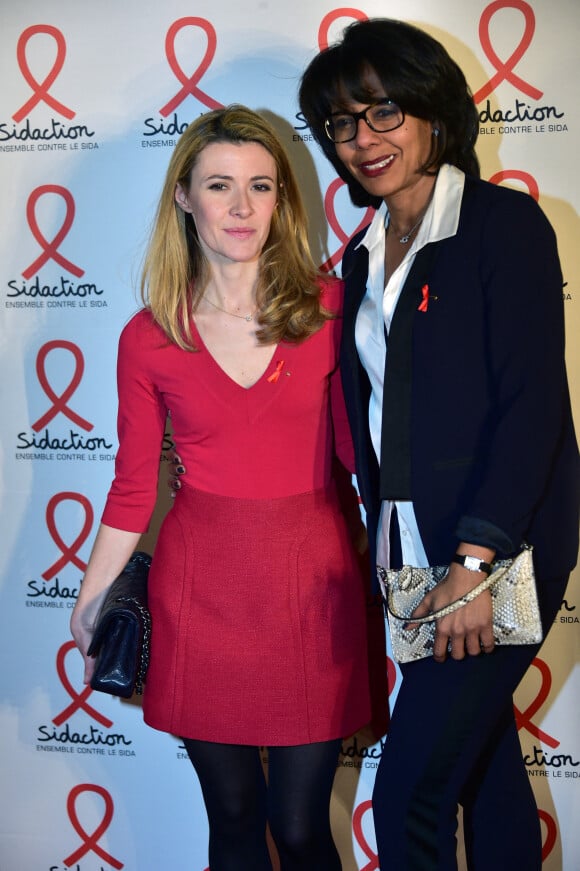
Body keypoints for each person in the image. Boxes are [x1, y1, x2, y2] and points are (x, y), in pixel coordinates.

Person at [299, 18, 579, 871]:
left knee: (411, 790)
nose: (362, 140)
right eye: (343, 123)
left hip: (493, 550)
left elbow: (533, 405)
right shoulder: (359, 256)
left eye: (382, 112)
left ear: (433, 112)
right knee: (483, 769)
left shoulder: (503, 225)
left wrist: (475, 561)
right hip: (410, 555)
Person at [70, 104, 371, 871]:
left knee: (301, 825)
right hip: (200, 596)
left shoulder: (333, 312)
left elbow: (371, 460)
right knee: (234, 817)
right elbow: (133, 485)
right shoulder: (149, 337)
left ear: (282, 199)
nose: (242, 208)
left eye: (260, 186)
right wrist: (90, 595)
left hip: (313, 590)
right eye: (219, 185)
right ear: (184, 197)